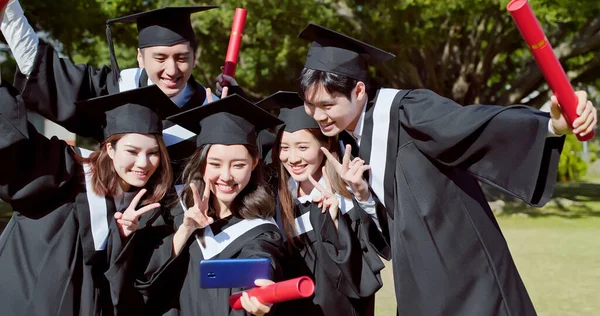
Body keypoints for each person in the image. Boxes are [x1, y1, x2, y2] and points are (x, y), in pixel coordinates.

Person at [296, 23, 598, 315]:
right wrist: (362, 195)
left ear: (359, 90)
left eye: (327, 105)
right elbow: (393, 232)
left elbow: (472, 123)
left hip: (466, 277)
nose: (318, 116)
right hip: (418, 283)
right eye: (310, 106)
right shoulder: (357, 140)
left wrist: (549, 123)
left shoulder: (407, 112)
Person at [0, 83, 178, 315]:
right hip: (27, 302)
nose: (143, 163)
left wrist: (122, 239)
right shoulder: (64, 170)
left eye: (153, 153)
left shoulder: (151, 208)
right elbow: (14, 147)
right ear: (110, 149)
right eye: (132, 151)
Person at [120, 94, 286, 316]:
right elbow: (142, 282)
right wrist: (186, 230)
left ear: (255, 163)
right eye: (215, 164)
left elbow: (262, 260)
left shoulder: (259, 228)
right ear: (200, 162)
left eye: (238, 165)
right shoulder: (171, 208)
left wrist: (260, 289)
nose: (225, 176)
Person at [0, 2, 242, 144]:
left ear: (194, 58)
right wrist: (10, 12)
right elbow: (45, 71)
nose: (172, 70)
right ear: (140, 58)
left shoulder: (210, 107)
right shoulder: (114, 90)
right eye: (160, 58)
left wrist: (234, 111)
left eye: (181, 58)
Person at [260, 91, 389, 316]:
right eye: (284, 147)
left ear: (325, 147)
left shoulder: (348, 196)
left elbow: (374, 259)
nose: (292, 158)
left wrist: (352, 205)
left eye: (302, 147)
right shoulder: (276, 199)